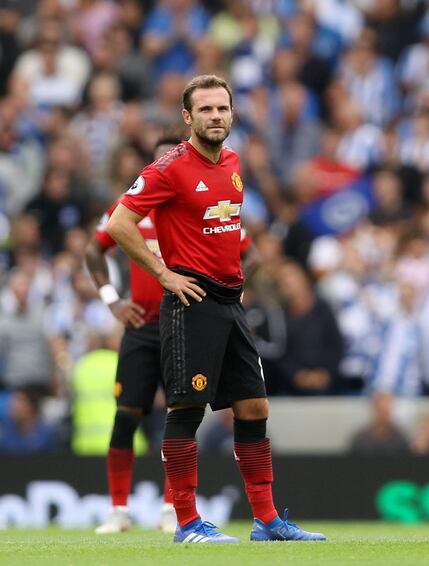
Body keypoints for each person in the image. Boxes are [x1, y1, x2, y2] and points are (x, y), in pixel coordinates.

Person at [106, 75, 324, 543]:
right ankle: (186, 523)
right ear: (187, 117)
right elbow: (121, 222)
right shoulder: (169, 167)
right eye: (205, 110)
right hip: (191, 302)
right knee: (185, 409)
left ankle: (266, 521)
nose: (216, 117)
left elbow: (224, 230)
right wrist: (164, 274)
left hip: (231, 303)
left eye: (222, 109)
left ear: (232, 113)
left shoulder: (233, 162)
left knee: (253, 405)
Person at [86, 134, 259, 535]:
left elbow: (249, 250)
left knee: (182, 410)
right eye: (159, 159)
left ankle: (171, 509)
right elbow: (94, 250)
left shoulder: (201, 203)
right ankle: (118, 510)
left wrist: (234, 291)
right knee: (127, 415)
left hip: (190, 318)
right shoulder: (133, 208)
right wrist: (113, 300)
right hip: (143, 325)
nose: (167, 164)